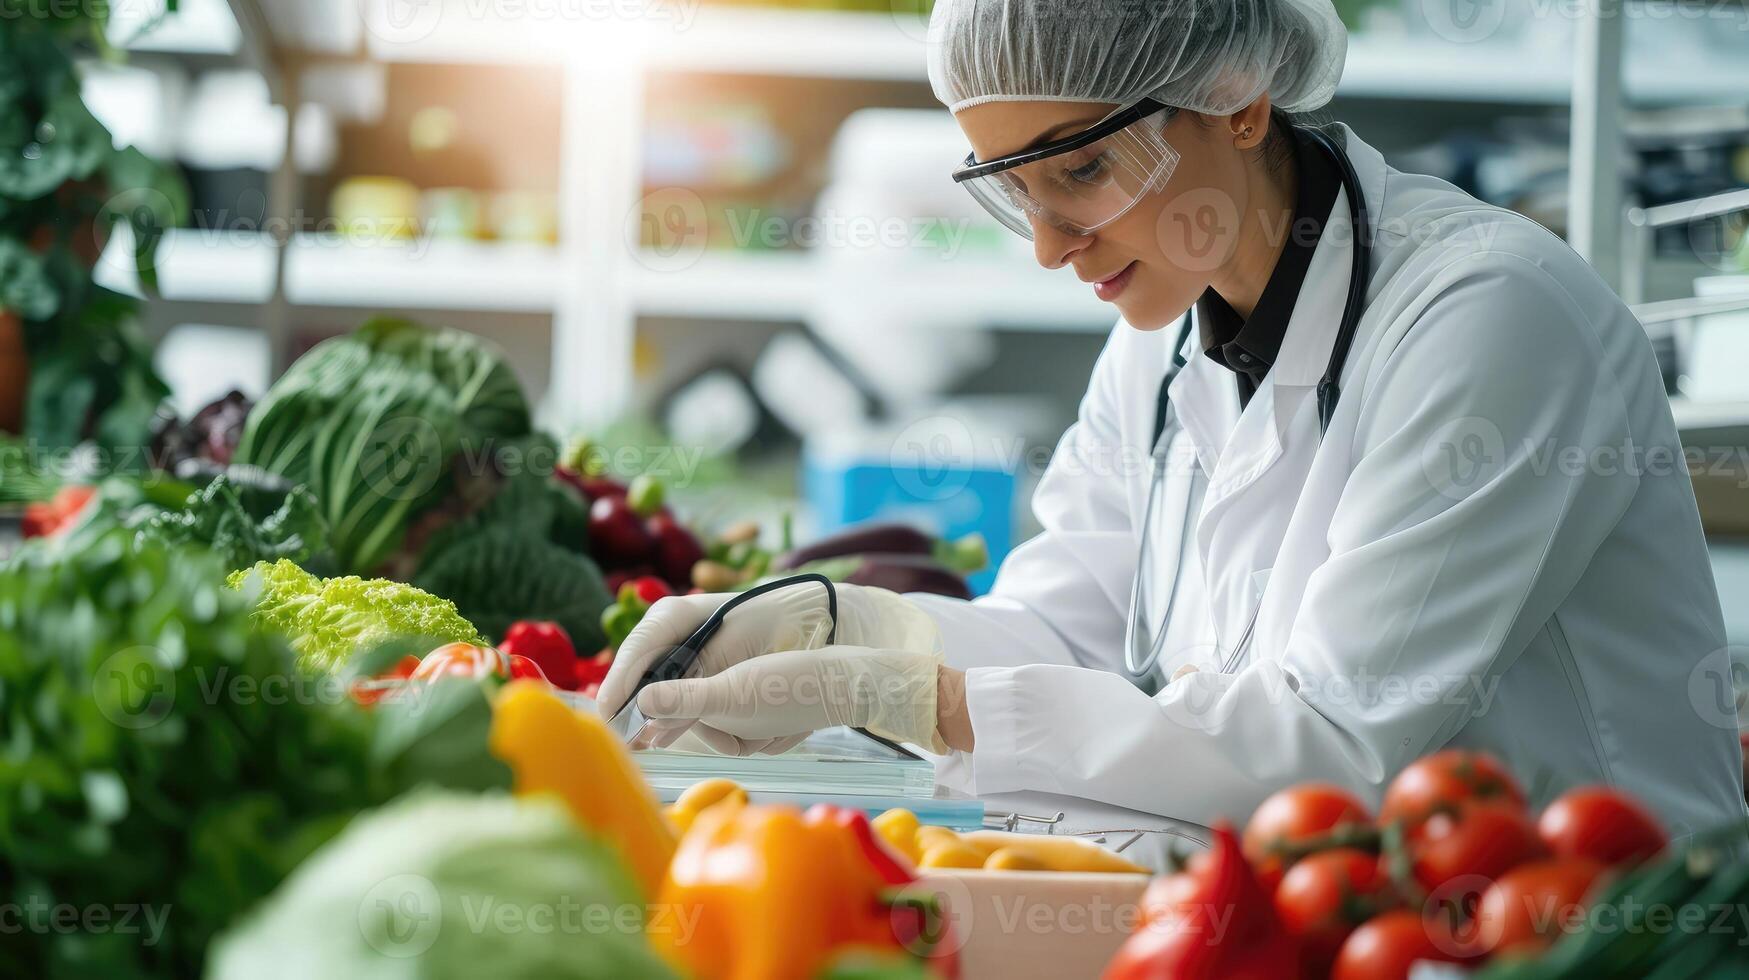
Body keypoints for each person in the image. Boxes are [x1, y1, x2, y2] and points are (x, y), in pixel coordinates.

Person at [600, 0, 1746, 836]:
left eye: (1084, 170)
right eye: (1009, 187)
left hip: (1578, 922)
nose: (1048, 245)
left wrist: (905, 695)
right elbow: (1066, 631)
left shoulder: (1490, 316)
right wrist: (835, 625)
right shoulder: (1159, 327)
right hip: (1326, 898)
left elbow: (1332, 739)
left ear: (1240, 103)